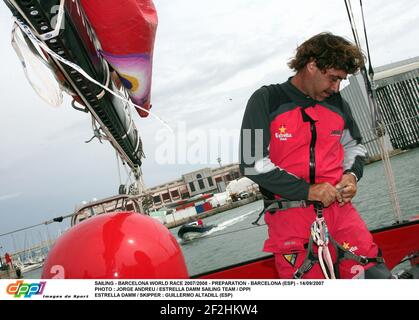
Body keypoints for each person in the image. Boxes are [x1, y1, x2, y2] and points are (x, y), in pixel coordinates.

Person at [239, 32, 391, 279]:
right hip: (291, 221)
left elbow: (355, 146)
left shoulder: (338, 103)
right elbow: (251, 163)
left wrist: (351, 175)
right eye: (332, 79)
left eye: (340, 80)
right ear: (311, 66)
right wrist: (307, 190)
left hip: (342, 214)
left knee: (375, 276)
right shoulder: (266, 100)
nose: (336, 87)